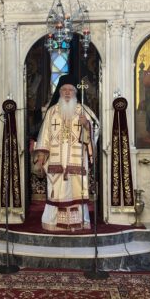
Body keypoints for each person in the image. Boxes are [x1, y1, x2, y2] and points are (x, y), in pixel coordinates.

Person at [34, 74, 100, 231]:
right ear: (59, 92)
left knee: (76, 189)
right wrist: (41, 157)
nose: (68, 93)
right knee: (56, 190)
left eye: (71, 90)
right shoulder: (52, 111)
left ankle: (79, 222)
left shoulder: (83, 110)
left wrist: (87, 125)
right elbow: (44, 135)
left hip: (76, 160)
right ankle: (53, 222)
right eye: (64, 90)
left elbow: (96, 129)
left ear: (76, 92)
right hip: (55, 161)